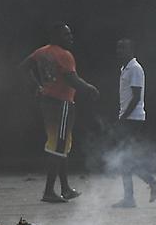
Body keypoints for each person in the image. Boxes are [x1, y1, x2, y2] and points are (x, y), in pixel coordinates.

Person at [20, 22, 98, 203]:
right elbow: (71, 79)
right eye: (66, 35)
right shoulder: (64, 55)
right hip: (61, 104)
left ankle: (65, 188)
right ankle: (49, 191)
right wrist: (89, 88)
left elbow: (23, 67)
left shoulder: (41, 52)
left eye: (70, 34)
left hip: (47, 102)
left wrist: (37, 86)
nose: (70, 38)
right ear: (55, 36)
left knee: (61, 146)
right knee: (57, 146)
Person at [110, 39, 156, 208]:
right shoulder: (125, 68)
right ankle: (132, 196)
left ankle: (149, 185)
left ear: (132, 50)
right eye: (118, 48)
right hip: (129, 118)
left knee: (126, 159)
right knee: (127, 159)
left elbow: (136, 97)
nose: (120, 51)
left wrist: (123, 117)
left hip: (133, 119)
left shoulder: (134, 68)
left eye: (123, 48)